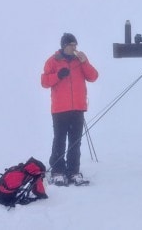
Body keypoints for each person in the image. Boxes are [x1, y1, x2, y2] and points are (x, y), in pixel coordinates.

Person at [41, 33, 98, 186]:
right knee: (59, 140)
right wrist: (58, 75)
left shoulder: (79, 61)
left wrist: (85, 62)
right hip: (60, 109)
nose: (75, 47)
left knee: (75, 141)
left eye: (75, 45)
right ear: (64, 46)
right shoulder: (53, 61)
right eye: (72, 44)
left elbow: (93, 77)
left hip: (78, 108)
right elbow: (44, 82)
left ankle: (73, 171)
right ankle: (57, 171)